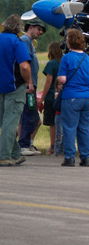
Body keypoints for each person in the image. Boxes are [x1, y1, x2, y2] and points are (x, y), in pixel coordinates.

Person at [58, 29, 89, 167]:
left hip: (71, 96)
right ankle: (86, 157)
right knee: (85, 127)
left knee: (69, 127)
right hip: (87, 97)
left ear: (69, 41)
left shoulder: (66, 58)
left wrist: (59, 81)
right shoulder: (88, 58)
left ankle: (69, 157)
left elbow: (62, 78)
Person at [0, 15, 33, 167]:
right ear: (18, 28)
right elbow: (24, 66)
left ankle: (15, 153)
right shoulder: (17, 42)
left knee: (4, 122)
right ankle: (4, 156)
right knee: (10, 122)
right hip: (14, 86)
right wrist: (28, 81)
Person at [18, 16, 47, 156]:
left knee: (32, 115)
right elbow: (25, 64)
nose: (40, 32)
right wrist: (29, 83)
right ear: (30, 27)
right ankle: (23, 145)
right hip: (28, 86)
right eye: (38, 29)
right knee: (30, 115)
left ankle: (27, 143)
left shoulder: (30, 42)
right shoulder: (25, 41)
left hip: (31, 85)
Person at [38, 42, 62, 155]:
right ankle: (61, 145)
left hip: (51, 97)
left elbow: (48, 81)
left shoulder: (51, 64)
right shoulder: (64, 62)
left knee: (52, 123)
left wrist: (42, 98)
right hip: (63, 96)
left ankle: (53, 146)